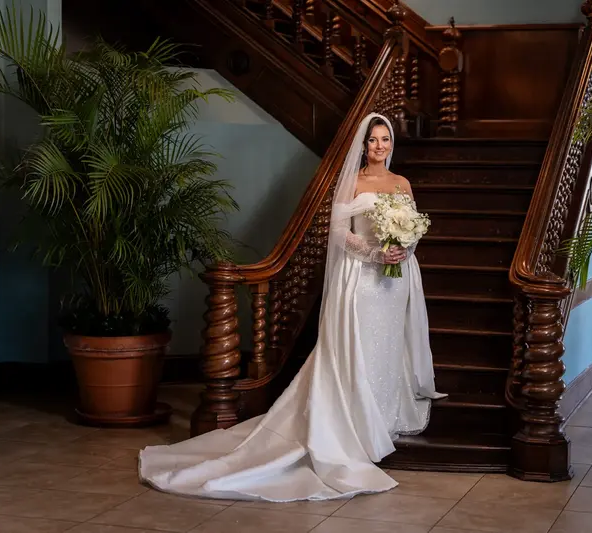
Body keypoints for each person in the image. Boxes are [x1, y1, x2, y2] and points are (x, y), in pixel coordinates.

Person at [138, 112, 445, 502]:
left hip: (394, 282)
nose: (379, 146)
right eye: (373, 140)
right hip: (363, 278)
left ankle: (384, 416)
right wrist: (373, 252)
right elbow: (338, 232)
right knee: (361, 346)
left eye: (385, 139)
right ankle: (354, 423)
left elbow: (413, 228)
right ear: (364, 146)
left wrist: (403, 249)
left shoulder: (402, 183)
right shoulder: (353, 181)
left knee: (386, 346)